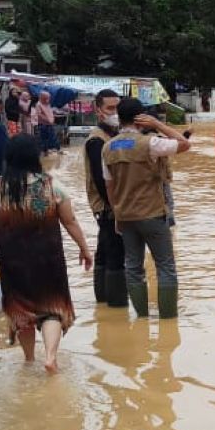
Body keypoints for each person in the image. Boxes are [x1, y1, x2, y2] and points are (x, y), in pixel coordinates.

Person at [0, 136, 93, 373]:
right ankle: (50, 357)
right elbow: (70, 221)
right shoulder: (52, 186)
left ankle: (29, 360)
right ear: (35, 157)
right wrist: (84, 248)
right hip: (48, 259)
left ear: (8, 158)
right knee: (51, 308)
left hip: (11, 260)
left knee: (21, 311)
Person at [103, 98, 191, 319]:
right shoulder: (150, 143)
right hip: (152, 214)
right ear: (140, 118)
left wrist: (117, 214)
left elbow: (110, 186)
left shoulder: (107, 148)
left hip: (125, 216)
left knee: (133, 267)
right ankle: (168, 319)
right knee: (165, 266)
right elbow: (184, 144)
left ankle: (141, 318)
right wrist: (158, 125)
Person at [83, 89, 126, 308]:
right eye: (110, 108)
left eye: (117, 107)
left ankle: (103, 302)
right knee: (116, 251)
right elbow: (100, 180)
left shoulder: (113, 136)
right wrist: (114, 206)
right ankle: (117, 304)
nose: (115, 112)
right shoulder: (96, 140)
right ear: (98, 111)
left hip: (110, 203)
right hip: (107, 205)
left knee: (105, 248)